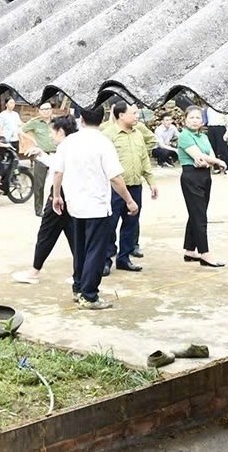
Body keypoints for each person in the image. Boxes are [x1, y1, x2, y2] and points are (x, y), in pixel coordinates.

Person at [52, 106, 137, 311]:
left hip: (74, 204)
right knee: (95, 251)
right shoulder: (103, 143)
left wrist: (56, 196)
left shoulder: (68, 142)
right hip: (96, 206)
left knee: (80, 249)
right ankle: (89, 295)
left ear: (81, 118)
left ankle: (78, 288)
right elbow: (115, 177)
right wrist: (129, 200)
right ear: (103, 119)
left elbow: (58, 172)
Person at [11, 114, 77, 285]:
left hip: (60, 196)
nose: (50, 135)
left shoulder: (65, 147)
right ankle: (80, 273)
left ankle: (34, 272)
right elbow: (56, 164)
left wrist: (56, 196)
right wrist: (41, 154)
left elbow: (58, 172)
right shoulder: (74, 145)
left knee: (46, 234)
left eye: (52, 132)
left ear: (61, 132)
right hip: (71, 197)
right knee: (74, 234)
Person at [102, 102, 159, 275]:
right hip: (114, 187)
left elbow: (144, 159)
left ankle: (124, 258)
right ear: (121, 115)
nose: (136, 116)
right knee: (109, 225)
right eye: (133, 113)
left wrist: (151, 181)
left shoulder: (138, 134)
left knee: (131, 224)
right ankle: (105, 260)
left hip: (135, 185)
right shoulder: (108, 135)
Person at [178, 106, 227, 267]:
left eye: (198, 117)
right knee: (199, 216)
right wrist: (218, 161)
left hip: (205, 176)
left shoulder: (204, 136)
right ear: (185, 120)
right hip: (191, 177)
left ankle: (190, 250)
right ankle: (205, 253)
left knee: (197, 212)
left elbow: (208, 156)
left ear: (202, 120)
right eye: (191, 117)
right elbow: (198, 156)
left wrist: (209, 161)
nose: (195, 120)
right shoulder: (184, 136)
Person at [23, 102, 57, 216]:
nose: (46, 111)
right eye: (43, 109)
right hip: (41, 155)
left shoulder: (56, 122)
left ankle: (54, 208)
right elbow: (21, 130)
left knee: (56, 182)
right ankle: (39, 209)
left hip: (55, 154)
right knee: (39, 184)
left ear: (51, 110)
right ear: (39, 111)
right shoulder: (35, 122)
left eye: (48, 109)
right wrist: (33, 141)